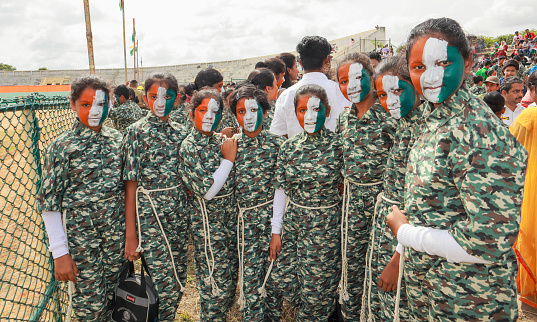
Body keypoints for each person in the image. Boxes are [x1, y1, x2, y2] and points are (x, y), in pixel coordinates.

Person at [387, 17, 527, 321]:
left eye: (442, 63)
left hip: (469, 301)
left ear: (467, 62)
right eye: (419, 67)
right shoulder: (433, 117)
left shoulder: (478, 132)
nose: (431, 76)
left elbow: (488, 243)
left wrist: (406, 233)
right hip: (432, 291)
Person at [39, 75, 125, 320]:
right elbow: (49, 202)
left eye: (100, 104)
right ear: (73, 105)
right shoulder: (62, 146)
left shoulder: (118, 140)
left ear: (110, 104)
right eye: (86, 104)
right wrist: (59, 252)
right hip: (81, 243)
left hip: (116, 238)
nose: (94, 111)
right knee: (90, 306)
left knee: (117, 299)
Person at [270, 84, 343, 321]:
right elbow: (282, 189)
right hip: (295, 224)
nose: (309, 116)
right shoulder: (289, 148)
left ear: (328, 110)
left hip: (325, 228)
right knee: (286, 279)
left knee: (316, 290)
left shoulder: (338, 146)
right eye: (302, 110)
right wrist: (276, 230)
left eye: (315, 109)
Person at [360, 55, 424, 322]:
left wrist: (399, 257)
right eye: (382, 94)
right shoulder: (403, 123)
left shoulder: (424, 128)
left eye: (397, 90)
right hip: (391, 230)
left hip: (408, 239)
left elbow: (423, 205)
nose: (389, 101)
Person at [122, 72, 189, 321]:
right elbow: (130, 185)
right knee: (164, 285)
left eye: (167, 96)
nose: (160, 102)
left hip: (179, 219)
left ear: (177, 97)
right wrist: (131, 235)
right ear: (146, 97)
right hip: (150, 220)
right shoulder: (135, 133)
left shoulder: (182, 132)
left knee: (179, 276)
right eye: (154, 96)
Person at [335, 52, 396, 320]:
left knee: (379, 269)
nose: (351, 85)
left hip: (383, 205)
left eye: (358, 77)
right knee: (352, 267)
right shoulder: (343, 119)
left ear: (371, 78)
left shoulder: (389, 118)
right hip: (351, 205)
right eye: (343, 80)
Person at [179, 89, 238, 321]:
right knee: (214, 287)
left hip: (230, 226)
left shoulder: (220, 141)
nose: (208, 116)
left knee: (228, 284)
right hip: (209, 230)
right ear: (192, 113)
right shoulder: (189, 146)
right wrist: (228, 160)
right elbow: (208, 191)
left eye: (214, 111)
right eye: (202, 110)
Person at [228, 85, 285, 321]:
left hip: (273, 223)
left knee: (273, 285)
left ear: (264, 110)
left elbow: (281, 189)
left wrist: (276, 231)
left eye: (253, 109)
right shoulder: (231, 145)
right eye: (241, 111)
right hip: (245, 226)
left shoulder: (278, 145)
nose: (248, 116)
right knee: (251, 285)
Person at [270, 35, 350, 138]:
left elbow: (279, 135)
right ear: (327, 60)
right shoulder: (342, 92)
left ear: (300, 62)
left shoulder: (285, 96)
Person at [510, 71, 537, 309]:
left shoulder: (530, 115)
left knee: (530, 236)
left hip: (532, 186)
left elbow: (508, 150)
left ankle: (531, 291)